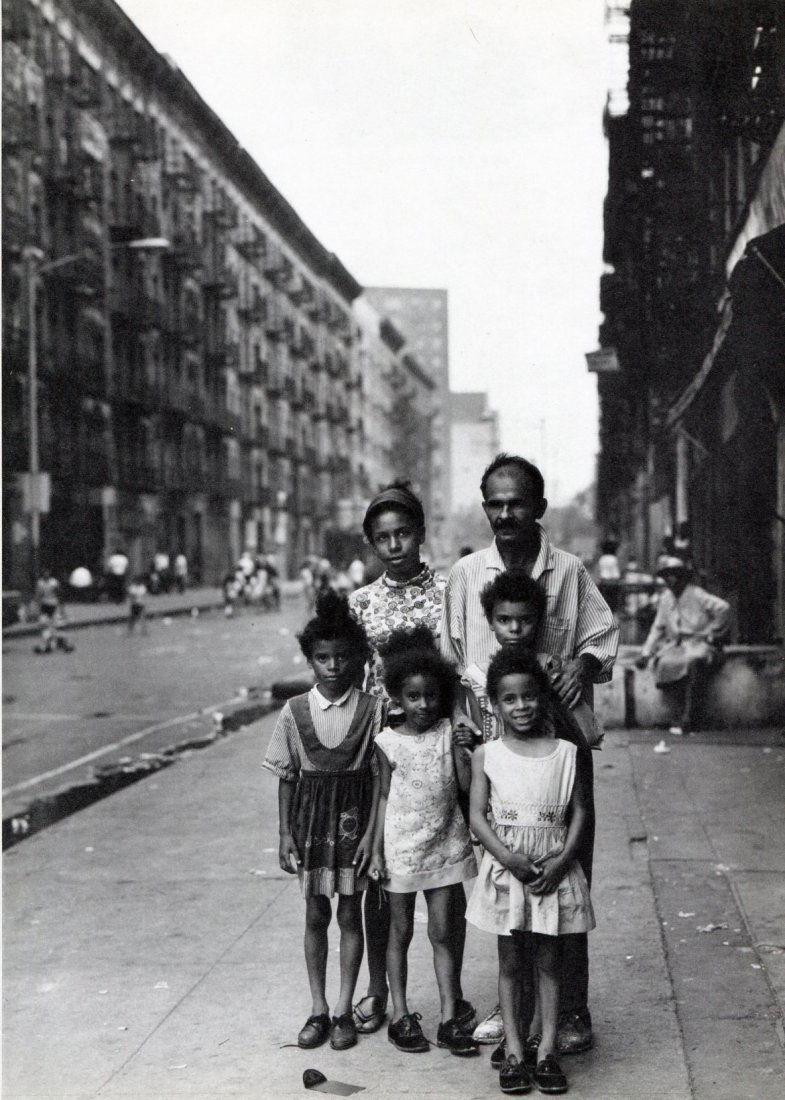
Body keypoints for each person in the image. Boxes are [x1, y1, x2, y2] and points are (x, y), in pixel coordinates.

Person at [441, 453, 617, 1052]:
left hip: (560, 751)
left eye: (517, 503)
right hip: (494, 753)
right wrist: (461, 724)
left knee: (566, 878)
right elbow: (451, 660)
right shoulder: (466, 575)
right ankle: (511, 1006)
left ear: (539, 508)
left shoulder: (569, 572)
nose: (506, 514)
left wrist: (581, 665)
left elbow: (602, 635)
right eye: (495, 503)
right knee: (504, 879)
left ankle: (570, 1012)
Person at [348, 481, 475, 1038]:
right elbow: (354, 678)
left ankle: (454, 1000)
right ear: (373, 545)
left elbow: (468, 663)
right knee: (384, 875)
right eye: (383, 538)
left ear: (420, 534)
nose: (395, 545)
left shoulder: (452, 590)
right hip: (382, 746)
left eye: (403, 534)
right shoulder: (361, 602)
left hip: (441, 740)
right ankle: (381, 992)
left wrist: (468, 724)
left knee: (446, 872)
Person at [466, 649, 595, 1095]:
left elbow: (579, 813)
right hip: (510, 870)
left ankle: (547, 1053)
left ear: (542, 697)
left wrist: (560, 864)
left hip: (551, 869)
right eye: (509, 699)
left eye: (528, 697)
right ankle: (516, 1050)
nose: (520, 707)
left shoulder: (566, 753)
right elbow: (478, 816)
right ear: (495, 704)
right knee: (510, 961)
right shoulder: (487, 754)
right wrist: (507, 857)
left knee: (548, 961)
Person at [262, 592, 384, 1052]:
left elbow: (378, 778)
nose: (332, 667)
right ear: (310, 660)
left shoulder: (372, 709)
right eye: (322, 658)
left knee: (351, 914)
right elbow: (286, 776)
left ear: (356, 658)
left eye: (341, 657)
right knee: (316, 914)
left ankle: (343, 1008)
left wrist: (375, 835)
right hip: (311, 825)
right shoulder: (293, 711)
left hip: (353, 825)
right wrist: (283, 833)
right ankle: (316, 1008)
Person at [369, 627, 479, 1057]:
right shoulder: (387, 742)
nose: (423, 705)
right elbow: (382, 798)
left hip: (446, 844)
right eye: (413, 696)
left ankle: (451, 1015)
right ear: (397, 696)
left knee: (442, 932)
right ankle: (400, 1014)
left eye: (431, 695)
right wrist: (376, 851)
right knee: (400, 932)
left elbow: (465, 786)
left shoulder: (450, 732)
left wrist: (466, 751)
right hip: (401, 849)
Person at [457, 570, 603, 749]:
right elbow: (481, 735)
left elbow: (585, 737)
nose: (515, 628)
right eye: (503, 620)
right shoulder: (477, 676)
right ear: (490, 622)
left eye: (525, 619)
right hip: (497, 771)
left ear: (539, 621)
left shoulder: (552, 669)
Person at [635, 556, 730, 735]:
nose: (670, 580)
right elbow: (658, 628)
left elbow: (723, 608)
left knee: (694, 663)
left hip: (699, 642)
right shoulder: (666, 599)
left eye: (674, 575)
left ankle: (690, 716)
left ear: (682, 577)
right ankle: (674, 715)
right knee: (664, 664)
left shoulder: (696, 594)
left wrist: (712, 633)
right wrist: (646, 652)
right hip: (677, 646)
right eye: (667, 576)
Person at [33, 571, 74, 654]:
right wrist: (36, 607)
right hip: (44, 606)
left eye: (47, 572)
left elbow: (59, 594)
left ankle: (62, 643)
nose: (46, 574)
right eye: (44, 572)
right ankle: (48, 645)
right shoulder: (40, 583)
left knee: (56, 625)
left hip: (53, 605)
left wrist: (61, 608)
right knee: (45, 625)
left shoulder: (53, 583)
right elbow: (38, 595)